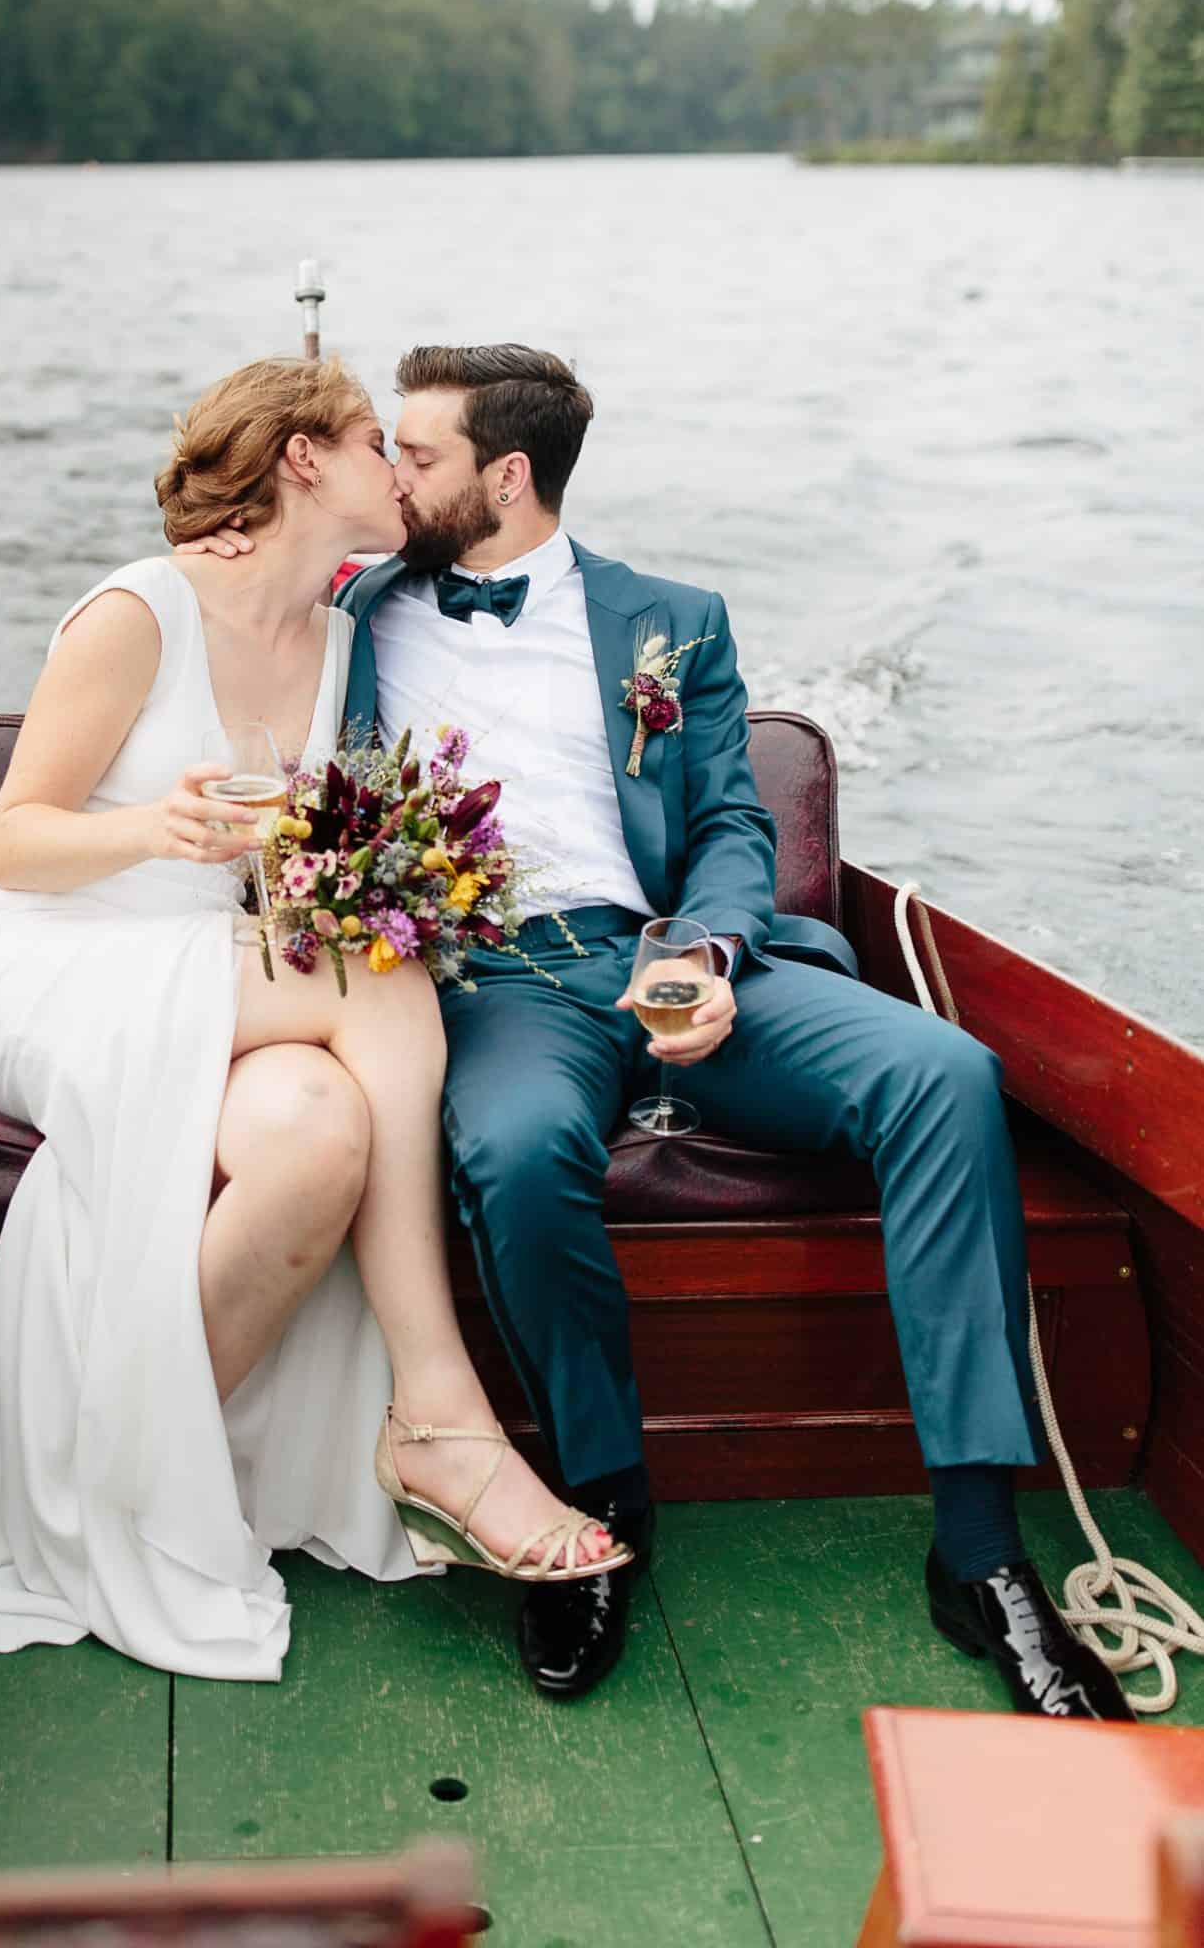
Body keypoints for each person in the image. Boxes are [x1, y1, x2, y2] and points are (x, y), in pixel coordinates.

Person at [186, 341, 1132, 1720]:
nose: (392, 475)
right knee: (516, 1152)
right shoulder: (356, 612)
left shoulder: (673, 622)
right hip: (494, 987)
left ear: (508, 477)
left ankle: (981, 1553)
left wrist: (707, 951)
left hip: (670, 953)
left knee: (946, 1075)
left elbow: (735, 822)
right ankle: (599, 1504)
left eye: (420, 454)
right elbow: (229, 602)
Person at [0, 356, 628, 1683]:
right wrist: (156, 827)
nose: (400, 469)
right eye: (377, 443)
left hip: (216, 959)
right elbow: (14, 845)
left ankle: (119, 1474)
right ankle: (439, 1415)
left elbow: (293, 866)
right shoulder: (138, 612)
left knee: (317, 1127)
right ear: (303, 459)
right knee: (380, 978)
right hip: (61, 959)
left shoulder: (346, 643)